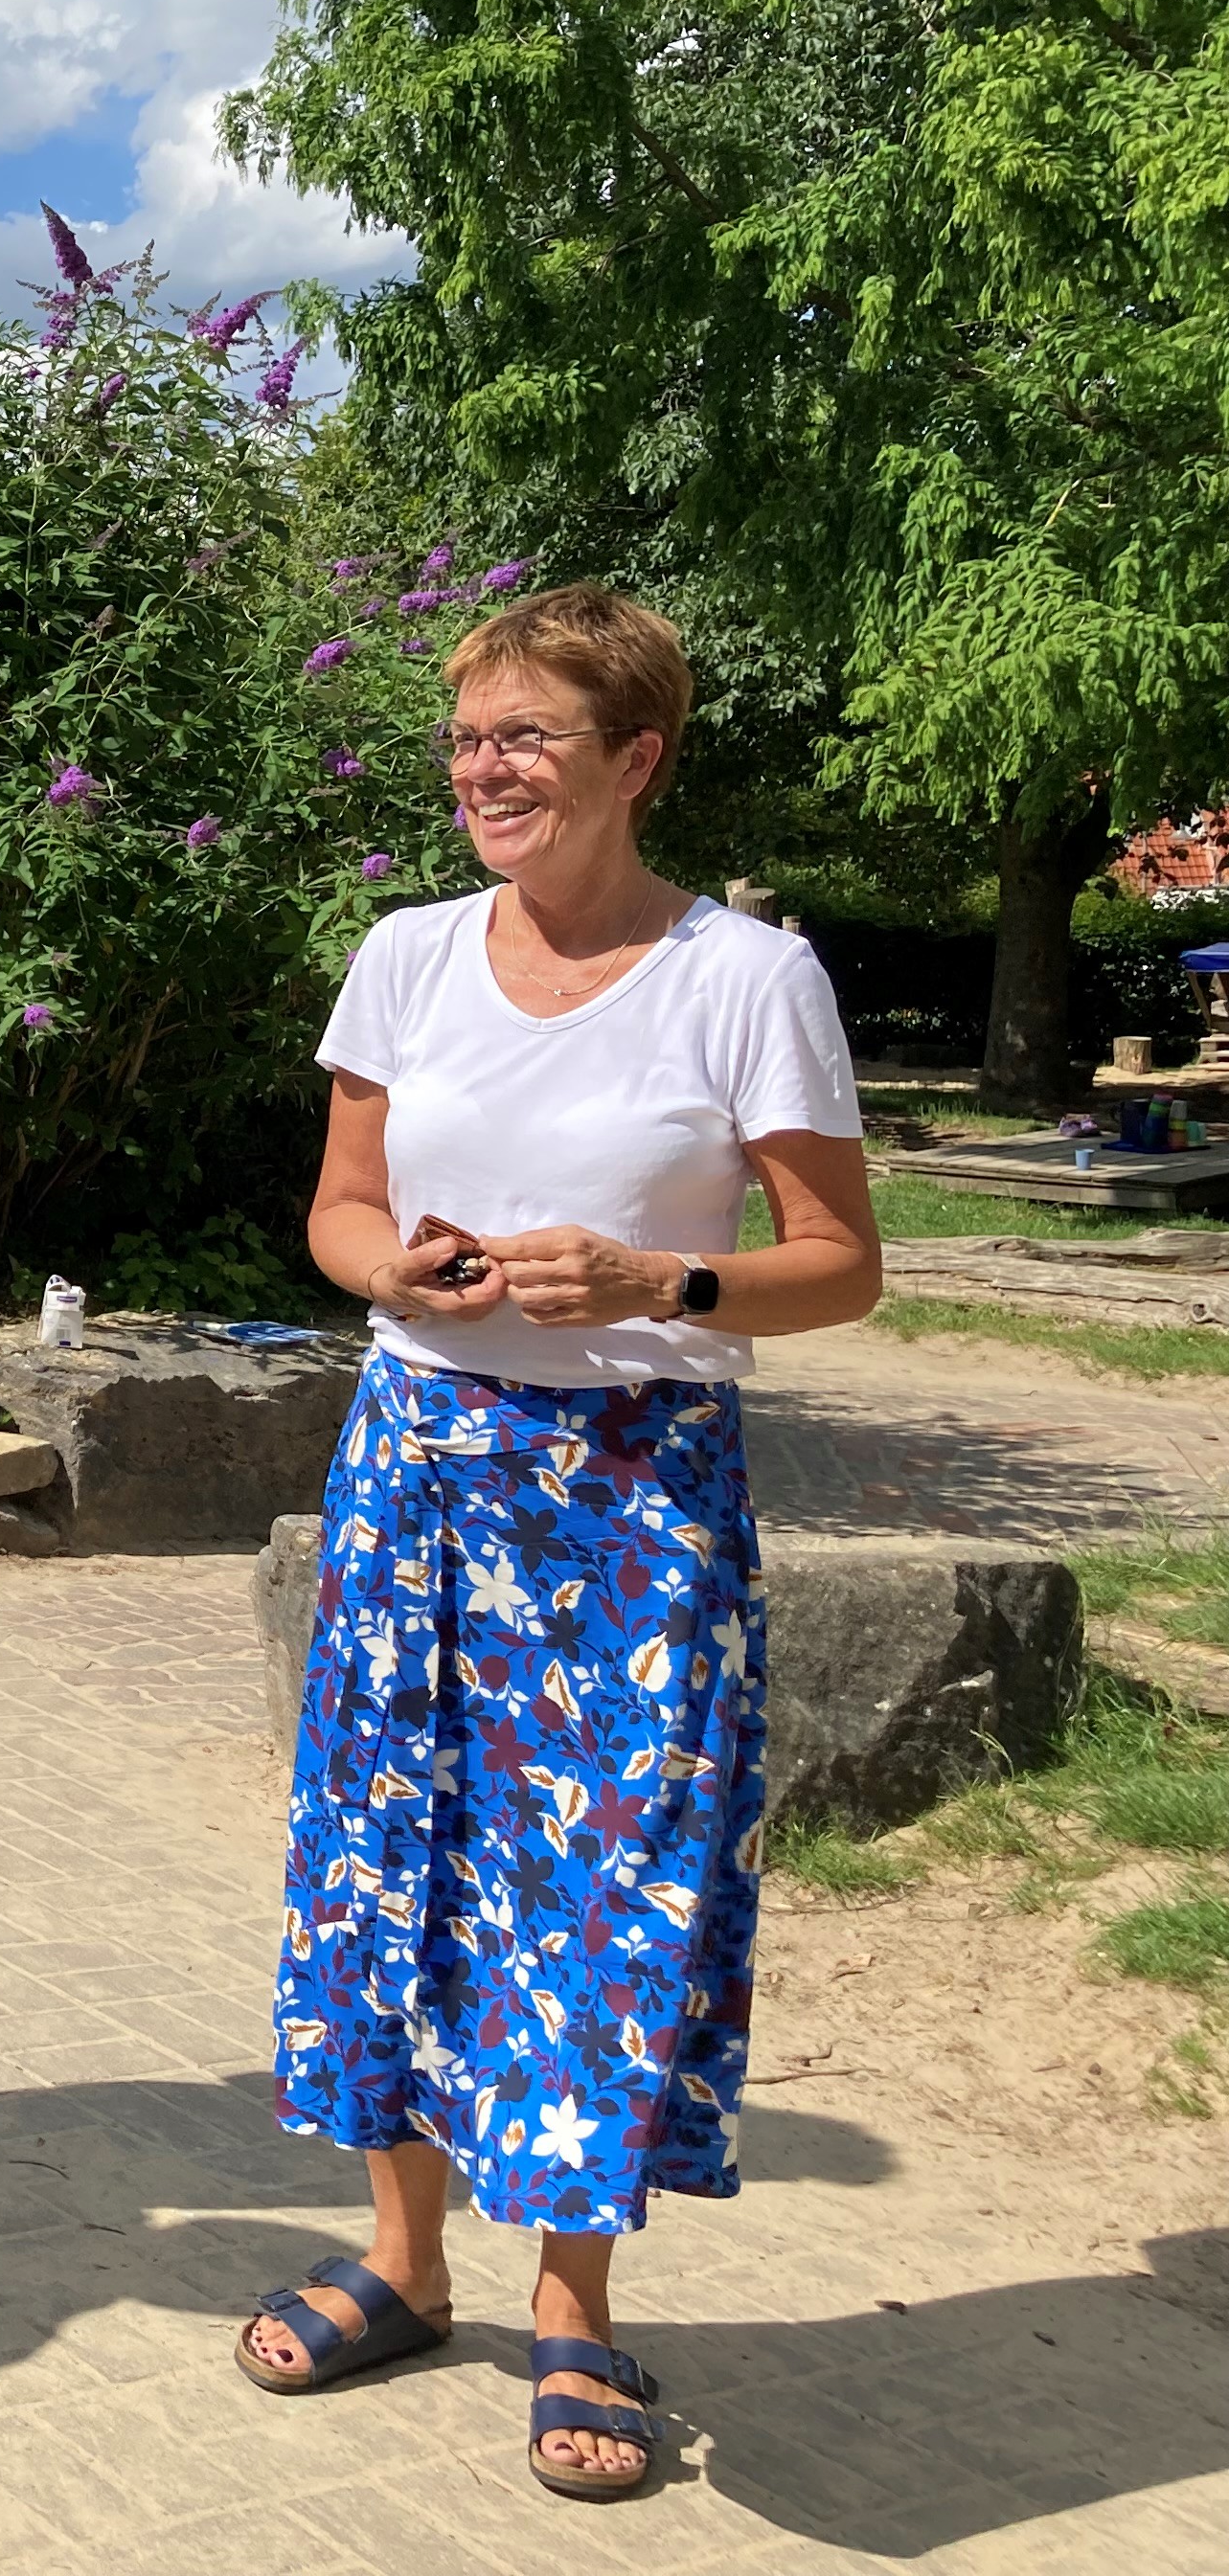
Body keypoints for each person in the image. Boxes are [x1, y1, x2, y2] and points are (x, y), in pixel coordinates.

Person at [238, 581, 880, 2501]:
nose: (486, 769)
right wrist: (404, 1265)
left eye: (527, 735)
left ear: (639, 761)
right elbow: (339, 1212)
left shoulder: (748, 978)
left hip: (635, 1488)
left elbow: (840, 1267)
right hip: (420, 1459)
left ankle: (576, 2307)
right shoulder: (407, 960)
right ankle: (402, 2262)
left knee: (608, 1893)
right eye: (466, 739)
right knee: (392, 1855)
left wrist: (660, 1276)